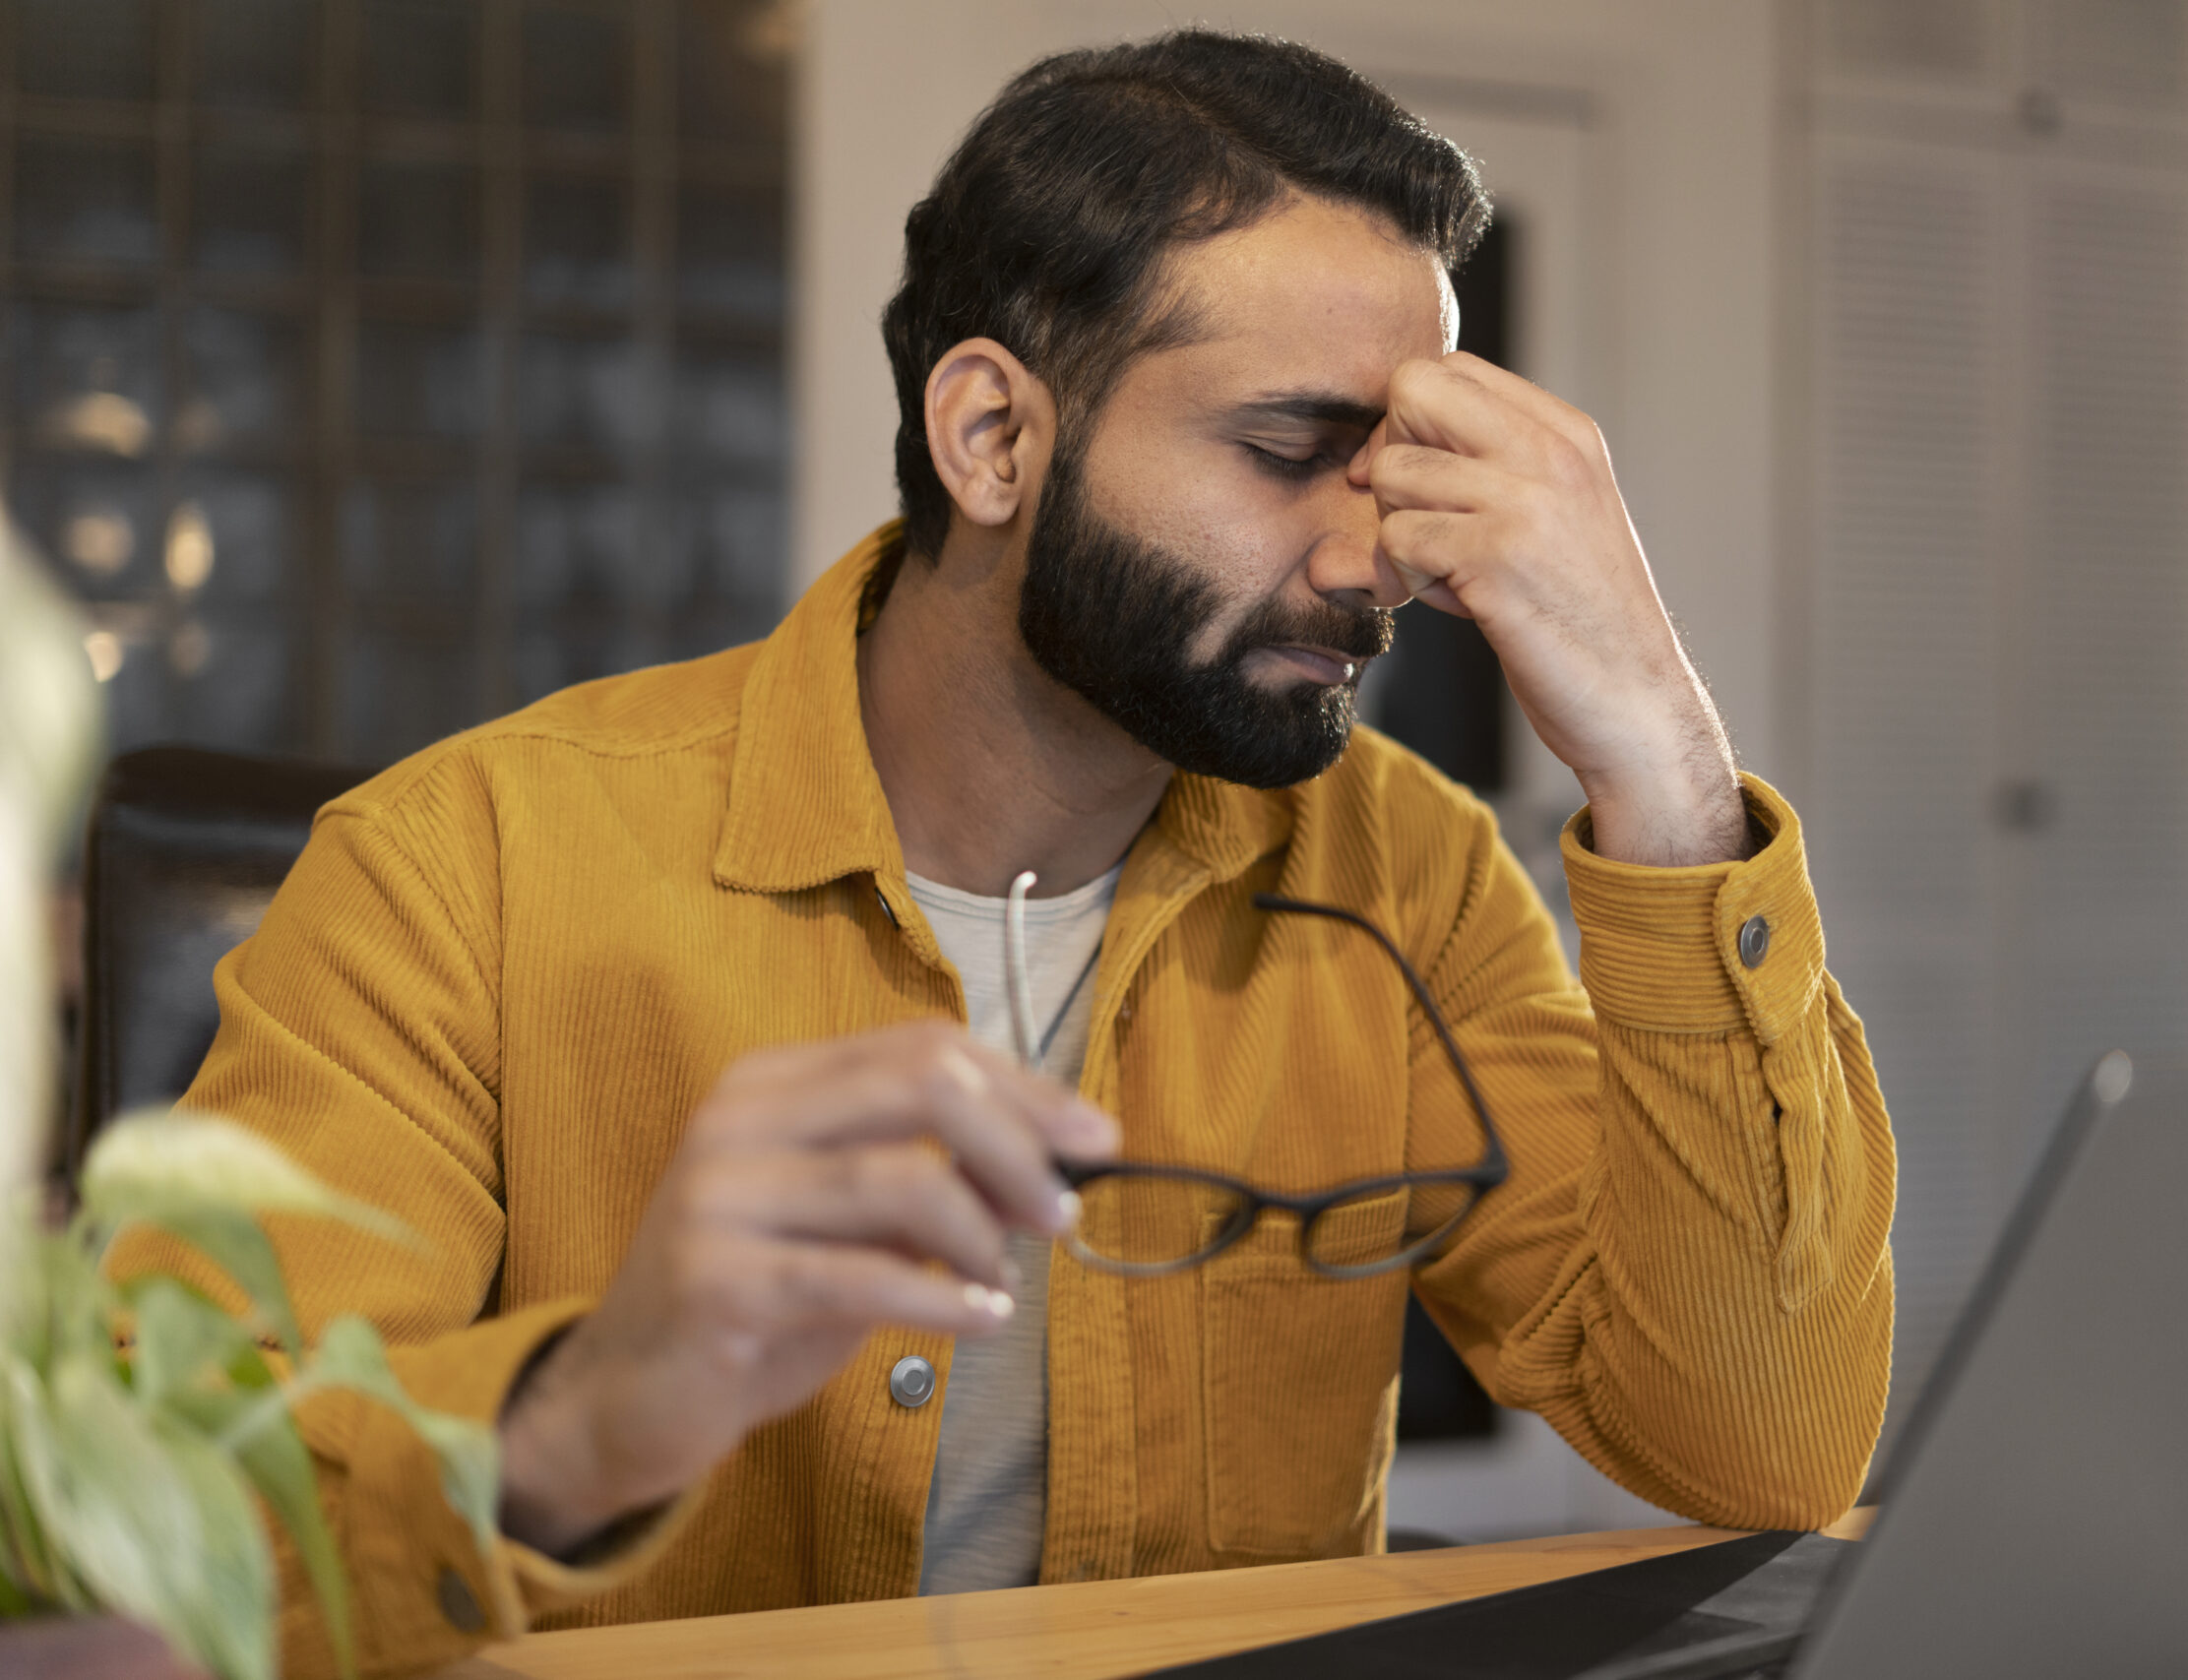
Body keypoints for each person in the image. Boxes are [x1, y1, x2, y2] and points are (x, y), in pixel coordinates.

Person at [135, 31, 1895, 1676]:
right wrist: (593, 1412)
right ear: (991, 438)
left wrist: (1665, 765)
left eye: (1405, 469)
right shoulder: (463, 871)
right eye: (1293, 450)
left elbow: (1759, 1447)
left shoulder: (1407, 873)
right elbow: (159, 1556)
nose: (1379, 567)